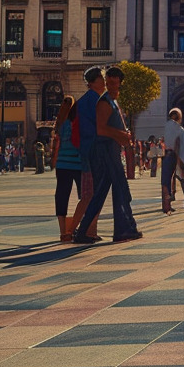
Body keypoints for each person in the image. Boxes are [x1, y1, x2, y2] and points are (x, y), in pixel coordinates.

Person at [72, 66, 143, 244]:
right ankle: (125, 229)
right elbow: (101, 128)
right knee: (121, 189)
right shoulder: (103, 102)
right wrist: (122, 136)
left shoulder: (111, 101)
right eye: (107, 81)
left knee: (101, 192)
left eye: (113, 82)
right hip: (105, 151)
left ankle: (82, 233)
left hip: (108, 150)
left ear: (120, 83)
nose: (109, 84)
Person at [68, 68, 106, 242]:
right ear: (92, 81)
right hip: (92, 152)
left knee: (92, 193)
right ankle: (77, 230)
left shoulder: (93, 99)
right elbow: (98, 127)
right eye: (101, 78)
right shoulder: (92, 100)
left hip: (91, 151)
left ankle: (90, 230)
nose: (104, 80)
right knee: (90, 194)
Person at [50, 95, 82, 241]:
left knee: (62, 195)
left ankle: (63, 232)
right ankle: (75, 227)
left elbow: (57, 145)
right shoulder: (76, 123)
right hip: (77, 163)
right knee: (85, 196)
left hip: (62, 165)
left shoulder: (60, 124)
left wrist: (54, 161)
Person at [161, 108, 184, 213]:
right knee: (167, 180)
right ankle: (167, 206)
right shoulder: (177, 128)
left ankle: (166, 204)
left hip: (166, 154)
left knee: (166, 180)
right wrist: (180, 159)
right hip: (172, 155)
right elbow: (178, 143)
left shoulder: (168, 125)